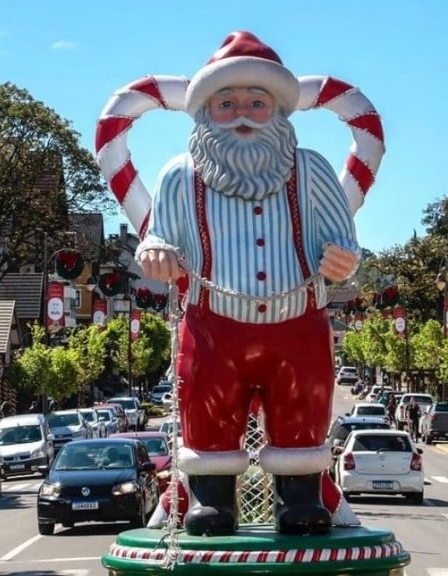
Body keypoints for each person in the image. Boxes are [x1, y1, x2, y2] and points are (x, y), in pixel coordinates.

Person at [133, 31, 366, 538]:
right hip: (214, 327)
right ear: (204, 113)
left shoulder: (312, 171)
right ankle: (212, 504)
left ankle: (301, 502)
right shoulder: (180, 176)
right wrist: (155, 254)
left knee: (301, 411)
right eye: (227, 102)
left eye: (257, 102)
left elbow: (346, 244)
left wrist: (342, 261)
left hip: (298, 324)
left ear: (279, 111)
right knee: (208, 412)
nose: (242, 113)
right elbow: (158, 239)